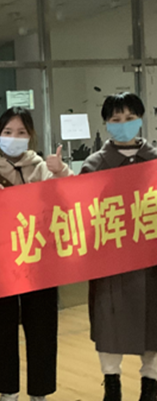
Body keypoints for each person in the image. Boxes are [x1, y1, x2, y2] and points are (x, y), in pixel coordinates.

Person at [0, 107, 70, 401]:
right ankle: (8, 390)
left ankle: (40, 391)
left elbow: (69, 199)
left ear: (30, 136)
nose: (13, 138)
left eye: (21, 132)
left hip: (39, 259)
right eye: (8, 132)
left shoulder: (42, 168)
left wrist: (61, 171)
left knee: (42, 326)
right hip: (0, 263)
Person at [80, 92, 157, 401]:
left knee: (154, 323)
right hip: (111, 264)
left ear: (140, 120)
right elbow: (79, 213)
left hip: (151, 262)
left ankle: (151, 385)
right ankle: (111, 384)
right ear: (106, 123)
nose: (123, 124)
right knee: (110, 323)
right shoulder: (94, 165)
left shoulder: (155, 162)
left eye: (129, 118)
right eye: (116, 119)